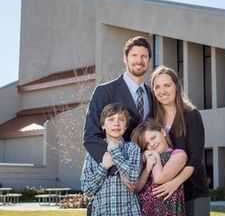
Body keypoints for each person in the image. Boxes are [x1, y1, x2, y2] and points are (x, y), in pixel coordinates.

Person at [83, 36, 153, 164]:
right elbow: (90, 136)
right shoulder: (104, 92)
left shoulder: (152, 95)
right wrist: (115, 163)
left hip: (147, 171)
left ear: (149, 60)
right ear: (125, 59)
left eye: (144, 56)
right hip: (114, 172)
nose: (139, 60)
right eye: (134, 55)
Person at [150, 66, 210, 216]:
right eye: (157, 87)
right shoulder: (154, 120)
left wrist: (174, 184)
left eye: (167, 85)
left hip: (193, 192)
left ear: (176, 86)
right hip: (165, 195)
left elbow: (195, 159)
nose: (162, 91)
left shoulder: (191, 115)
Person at [81, 103, 141, 216]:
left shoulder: (132, 149)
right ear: (103, 125)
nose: (116, 123)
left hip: (129, 212)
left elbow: (133, 179)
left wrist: (115, 152)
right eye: (111, 119)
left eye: (121, 119)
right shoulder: (93, 152)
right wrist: (103, 167)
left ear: (126, 126)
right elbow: (87, 189)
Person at [132, 120, 187, 216]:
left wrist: (155, 156)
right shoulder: (144, 159)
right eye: (147, 144)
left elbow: (159, 178)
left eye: (153, 138)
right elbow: (136, 188)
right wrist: (147, 168)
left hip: (169, 210)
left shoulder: (178, 154)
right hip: (144, 210)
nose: (152, 144)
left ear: (163, 132)